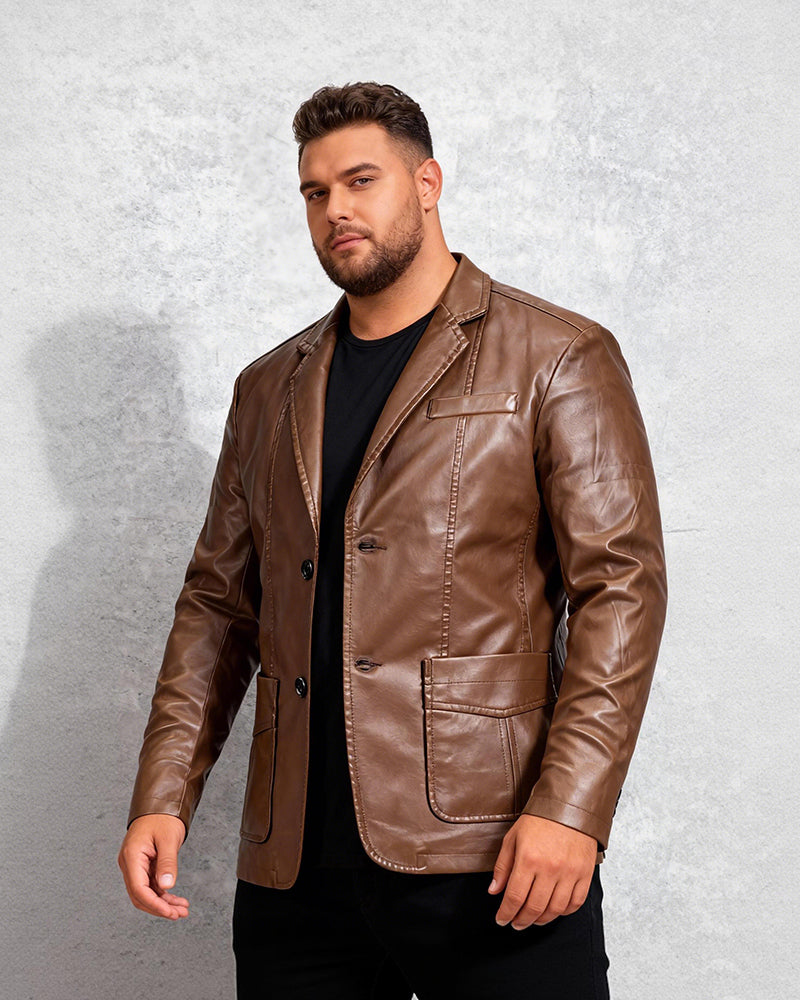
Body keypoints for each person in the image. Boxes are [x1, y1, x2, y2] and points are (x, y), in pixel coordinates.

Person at [118, 81, 668, 999]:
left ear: (427, 183)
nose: (336, 209)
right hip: (296, 867)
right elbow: (217, 606)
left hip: (493, 849)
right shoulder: (268, 389)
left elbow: (622, 589)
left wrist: (572, 809)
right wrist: (163, 794)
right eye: (315, 191)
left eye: (360, 180)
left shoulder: (557, 356)